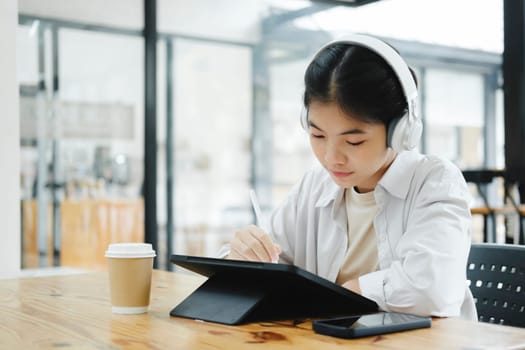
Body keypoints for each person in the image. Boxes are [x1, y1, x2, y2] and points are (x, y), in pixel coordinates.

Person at [223, 34, 476, 320]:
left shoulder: (435, 182)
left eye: (353, 142)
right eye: (318, 135)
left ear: (402, 130)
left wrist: (345, 293)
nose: (332, 157)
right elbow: (275, 263)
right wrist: (245, 258)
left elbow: (431, 289)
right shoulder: (315, 184)